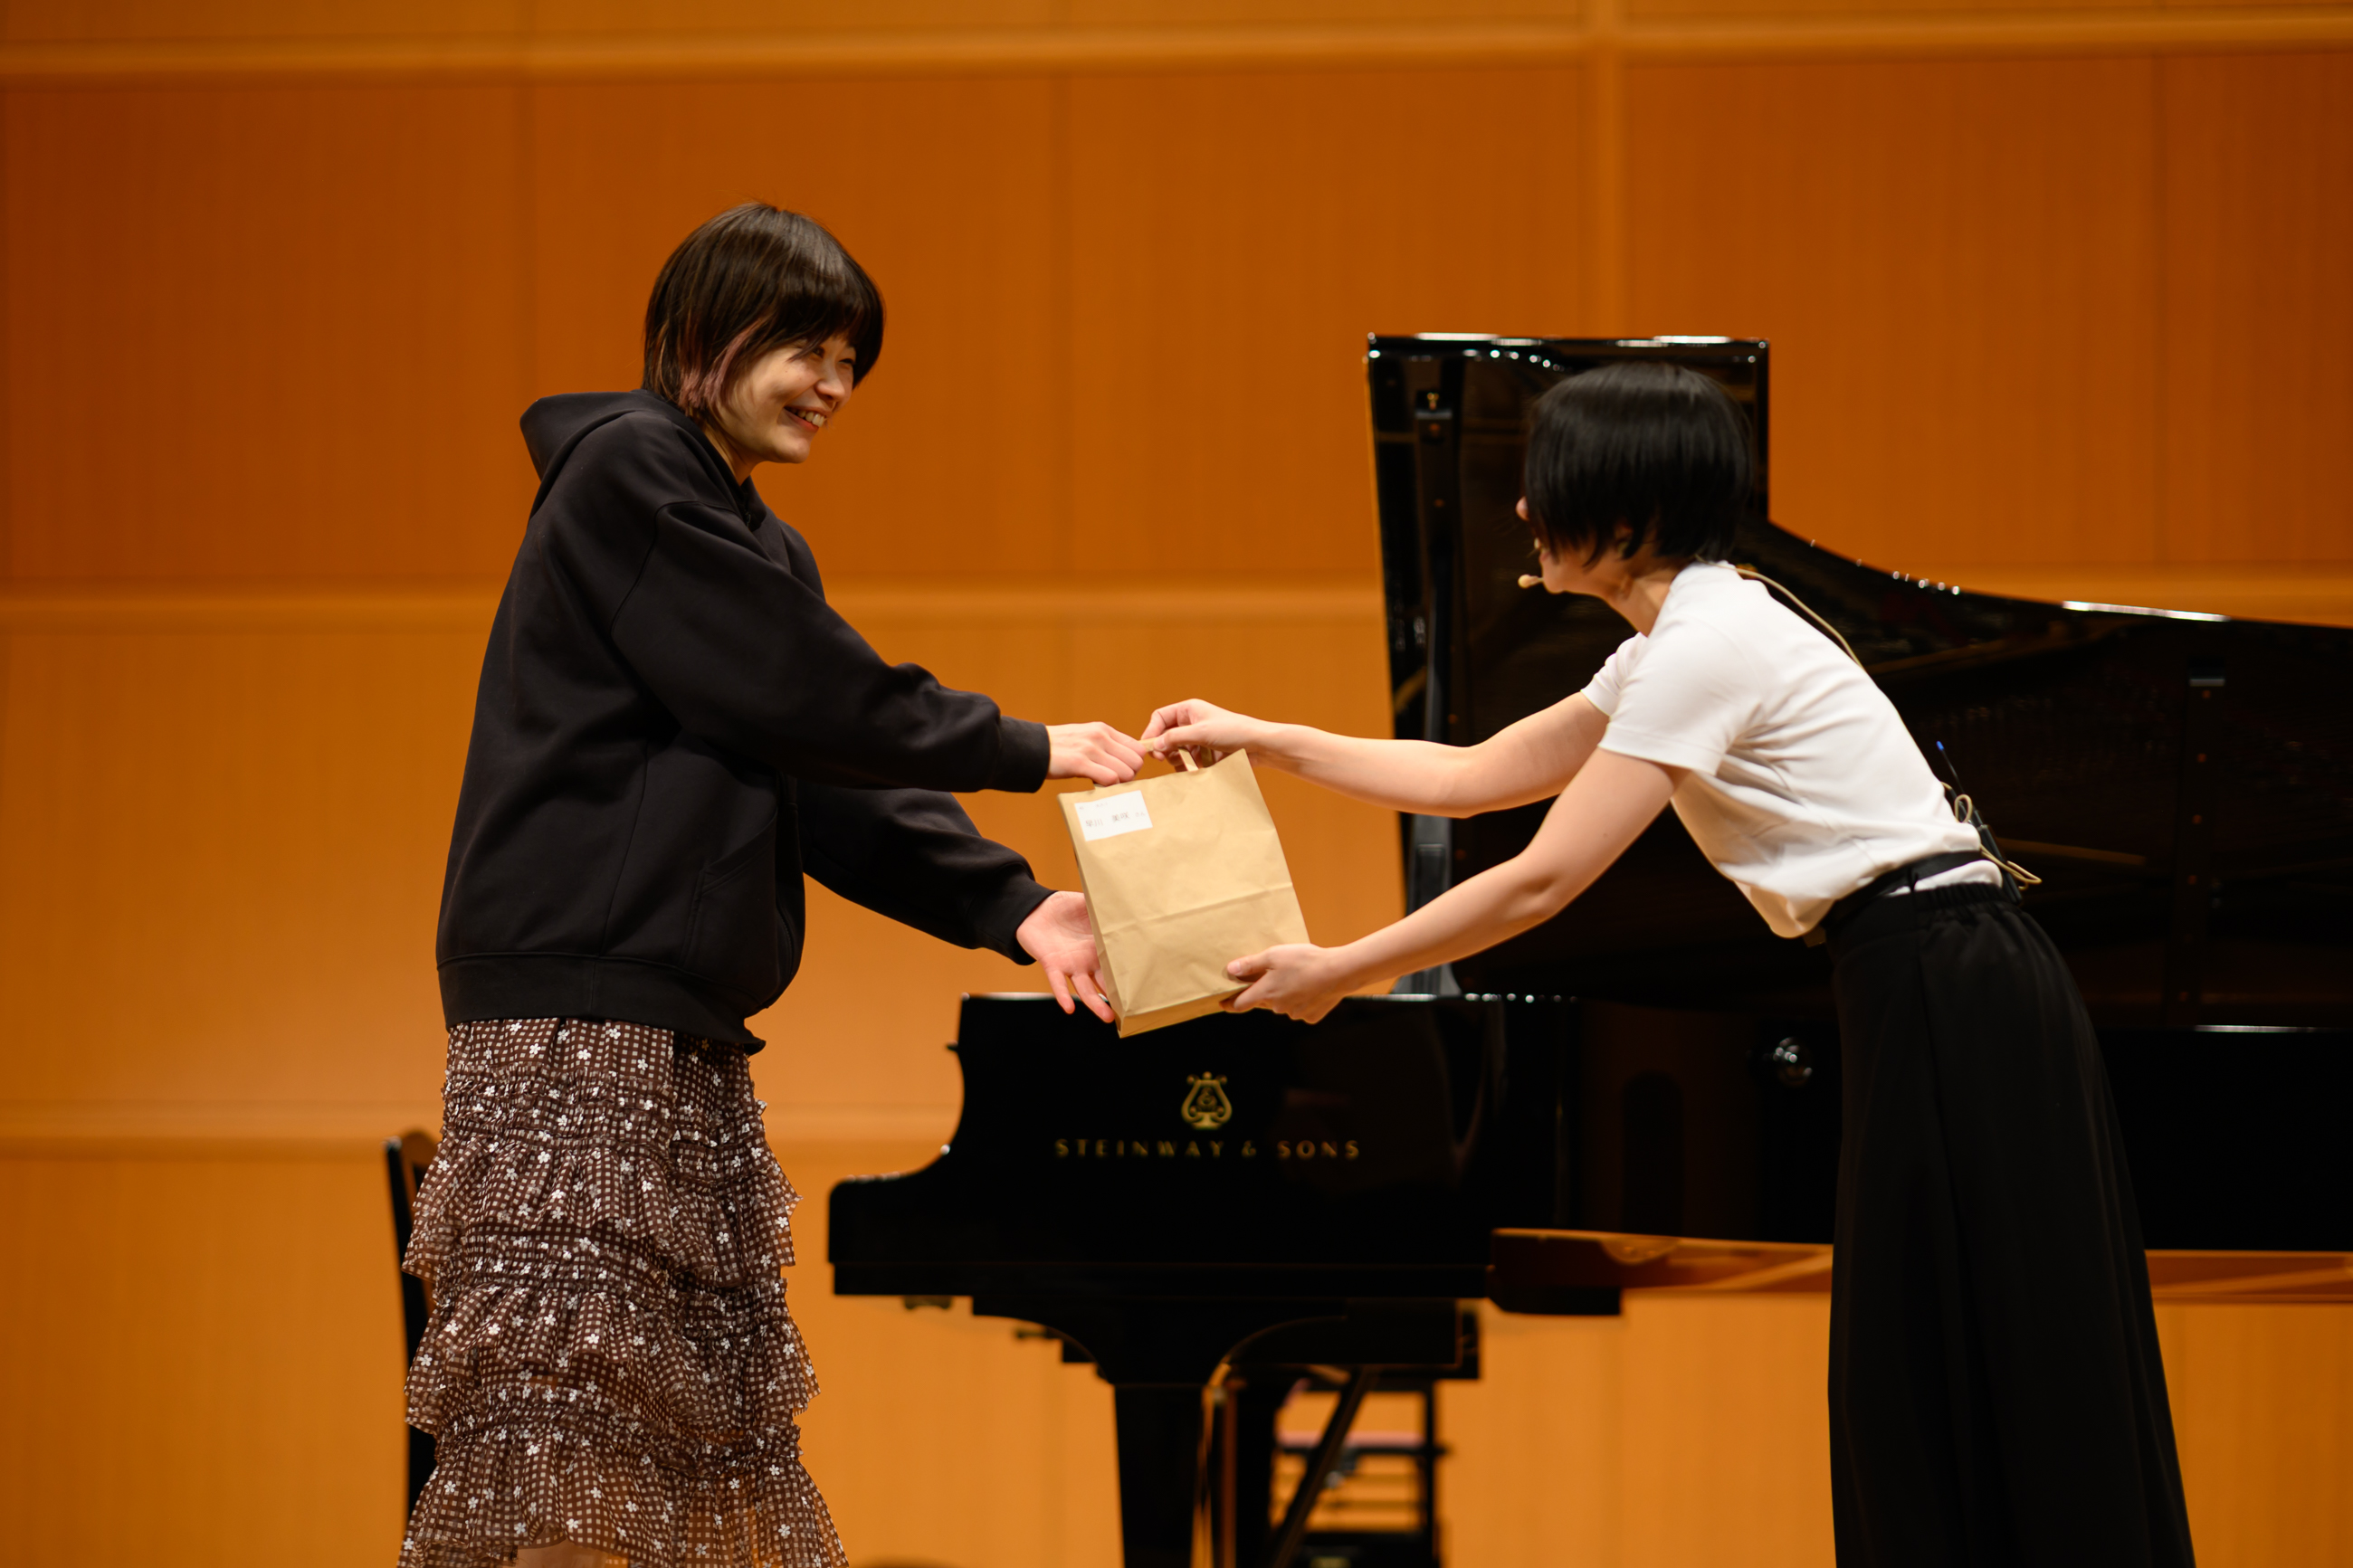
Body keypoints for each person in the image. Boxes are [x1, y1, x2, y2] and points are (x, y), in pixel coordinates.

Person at [1142, 361, 2196, 1566]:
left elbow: (1541, 876)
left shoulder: (1709, 642)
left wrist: (1341, 968)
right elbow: (1473, 773)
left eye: (1548, 491)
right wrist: (1257, 736)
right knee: (1935, 1356)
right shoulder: (1679, 636)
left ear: (1627, 512)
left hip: (1946, 975)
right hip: (1928, 971)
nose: (1527, 514)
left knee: (1967, 1353)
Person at [404, 203, 1139, 1568]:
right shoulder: (628, 472)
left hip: (671, 1039)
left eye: (852, 361)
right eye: (809, 346)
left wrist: (1013, 903)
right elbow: (810, 689)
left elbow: (824, 768)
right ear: (700, 333)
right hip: (577, 1029)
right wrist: (1026, 746)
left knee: (675, 1484)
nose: (835, 386)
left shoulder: (752, 539)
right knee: (567, 1464)